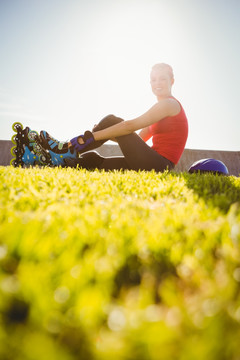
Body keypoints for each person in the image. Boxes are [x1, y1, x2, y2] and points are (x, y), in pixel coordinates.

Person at [40, 63, 188, 171]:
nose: (157, 83)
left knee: (113, 121)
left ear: (172, 81)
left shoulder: (169, 104)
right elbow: (136, 139)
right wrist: (101, 134)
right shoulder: (160, 110)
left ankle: (63, 148)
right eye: (153, 79)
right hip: (150, 162)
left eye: (162, 79)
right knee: (92, 160)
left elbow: (128, 127)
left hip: (159, 165)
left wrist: (92, 136)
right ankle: (55, 160)